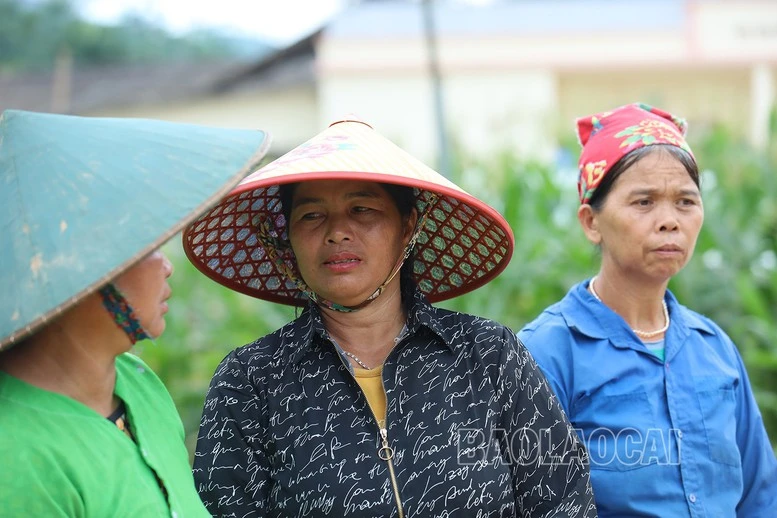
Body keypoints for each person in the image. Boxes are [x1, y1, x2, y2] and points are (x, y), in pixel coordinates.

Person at [184, 117, 598, 517]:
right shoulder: (251, 379)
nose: (337, 232)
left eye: (362, 209)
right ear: (289, 240)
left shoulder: (487, 354)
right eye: (311, 215)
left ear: (408, 227)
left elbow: (563, 500)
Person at [0, 109, 270, 517]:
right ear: (87, 273)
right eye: (147, 249)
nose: (166, 266)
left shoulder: (139, 385)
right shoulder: (18, 457)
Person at [518, 103, 777, 516]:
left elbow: (761, 498)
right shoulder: (547, 354)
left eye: (685, 202)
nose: (669, 221)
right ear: (591, 222)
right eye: (644, 202)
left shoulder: (714, 350)